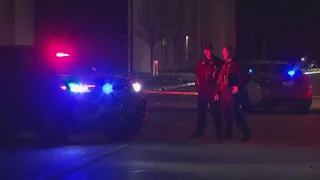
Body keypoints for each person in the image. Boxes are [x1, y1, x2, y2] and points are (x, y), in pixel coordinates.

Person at [218, 46, 251, 141]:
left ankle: (246, 133)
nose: (223, 54)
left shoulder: (237, 64)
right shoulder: (225, 65)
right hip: (224, 92)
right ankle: (228, 134)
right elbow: (221, 79)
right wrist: (218, 90)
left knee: (236, 113)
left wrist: (238, 86)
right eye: (223, 52)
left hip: (231, 92)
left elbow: (244, 77)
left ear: (230, 53)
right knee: (226, 113)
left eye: (225, 52)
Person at [191, 44, 223, 139]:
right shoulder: (201, 63)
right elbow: (197, 76)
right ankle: (199, 132)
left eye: (209, 50)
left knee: (216, 113)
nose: (207, 52)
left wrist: (217, 91)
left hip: (213, 91)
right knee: (201, 113)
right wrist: (199, 88)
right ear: (204, 51)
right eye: (206, 50)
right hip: (203, 92)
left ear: (212, 51)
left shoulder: (217, 62)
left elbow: (220, 78)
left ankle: (219, 134)